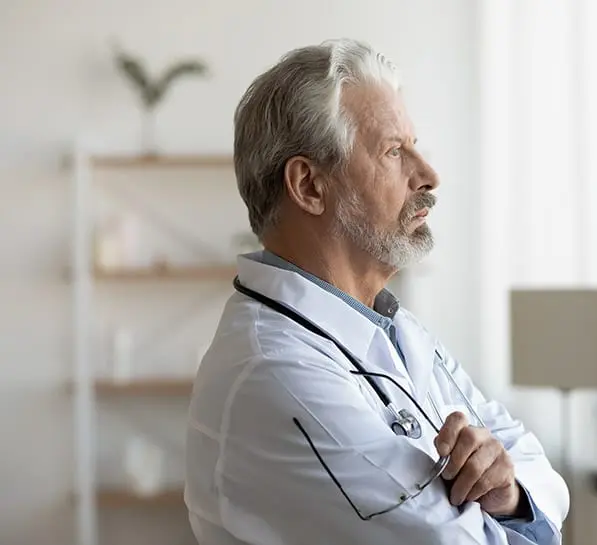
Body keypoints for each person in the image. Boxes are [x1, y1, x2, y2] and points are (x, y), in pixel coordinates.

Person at [184, 38, 569, 545]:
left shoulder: (395, 332)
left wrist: (511, 497)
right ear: (310, 187)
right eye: (393, 151)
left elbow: (540, 473)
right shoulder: (278, 373)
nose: (428, 175)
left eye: (415, 146)